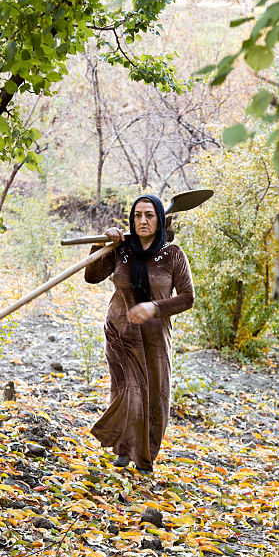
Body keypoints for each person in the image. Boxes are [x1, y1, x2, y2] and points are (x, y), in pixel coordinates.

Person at [84, 194, 194, 473]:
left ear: (160, 219)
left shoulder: (173, 255)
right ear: (132, 219)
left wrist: (153, 307)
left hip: (155, 337)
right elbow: (92, 276)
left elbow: (187, 298)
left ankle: (145, 455)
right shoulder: (121, 249)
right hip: (120, 332)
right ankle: (123, 447)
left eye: (149, 215)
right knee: (126, 389)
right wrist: (101, 244)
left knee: (154, 394)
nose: (142, 221)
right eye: (137, 215)